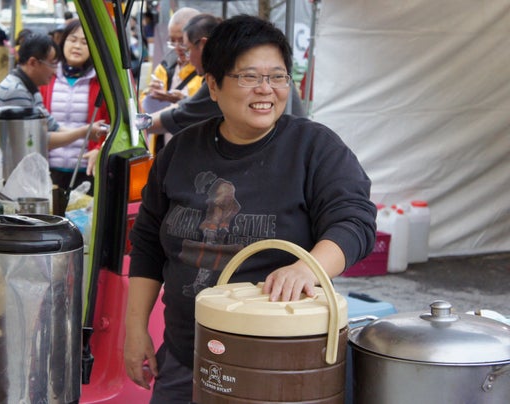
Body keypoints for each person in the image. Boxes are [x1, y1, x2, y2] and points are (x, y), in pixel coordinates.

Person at [123, 15, 377, 403]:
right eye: (248, 77)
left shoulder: (313, 148)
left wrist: (308, 266)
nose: (266, 89)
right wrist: (136, 327)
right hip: (184, 356)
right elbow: (147, 243)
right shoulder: (181, 150)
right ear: (213, 85)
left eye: (277, 77)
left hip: (278, 363)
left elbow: (355, 221)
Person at [144, 14, 307, 136]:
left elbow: (180, 115)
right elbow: (189, 108)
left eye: (187, 49)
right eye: (250, 76)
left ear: (203, 45)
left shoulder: (225, 72)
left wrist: (139, 124)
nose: (265, 89)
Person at [0, 33, 107, 156]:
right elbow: (37, 140)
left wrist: (87, 131)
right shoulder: (15, 91)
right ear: (33, 63)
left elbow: (53, 127)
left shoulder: (32, 90)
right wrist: (83, 132)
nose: (55, 70)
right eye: (52, 64)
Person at [39, 19, 109, 193]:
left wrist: (100, 150)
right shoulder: (46, 78)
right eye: (72, 39)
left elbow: (111, 124)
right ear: (62, 42)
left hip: (86, 169)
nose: (77, 46)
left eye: (85, 42)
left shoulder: (102, 82)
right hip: (48, 168)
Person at [139, 7, 202, 153]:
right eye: (172, 41)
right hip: (163, 149)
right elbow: (145, 109)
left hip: (194, 151)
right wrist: (151, 95)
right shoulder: (166, 67)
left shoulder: (209, 72)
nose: (177, 48)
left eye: (182, 41)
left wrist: (183, 101)